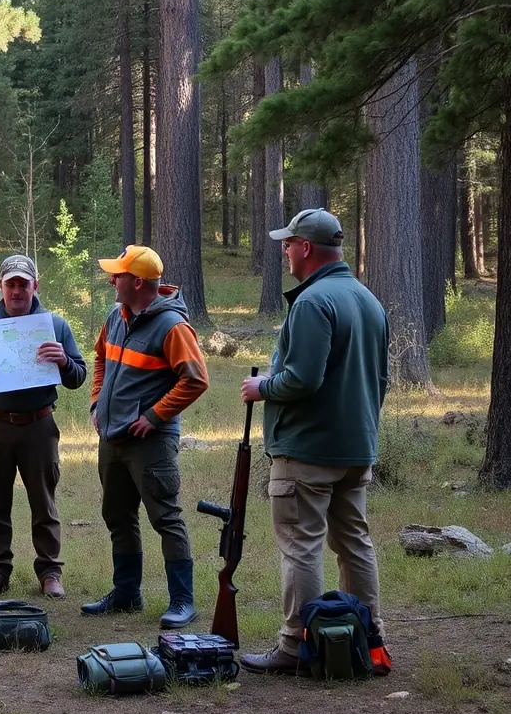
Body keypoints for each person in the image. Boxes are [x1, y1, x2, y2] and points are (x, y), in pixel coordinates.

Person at [239, 208, 390, 675]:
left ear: (305, 248)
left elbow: (302, 379)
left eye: (288, 243)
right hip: (355, 450)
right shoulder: (368, 299)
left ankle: (295, 646)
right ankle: (368, 639)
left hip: (306, 451)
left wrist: (261, 386)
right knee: (355, 544)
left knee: (301, 546)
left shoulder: (311, 302)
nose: (284, 250)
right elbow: (380, 381)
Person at [83, 245, 210, 629]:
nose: (111, 280)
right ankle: (126, 594)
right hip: (112, 436)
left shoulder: (173, 327)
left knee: (165, 517)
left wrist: (155, 416)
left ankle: (183, 601)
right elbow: (101, 357)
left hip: (150, 442)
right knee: (117, 515)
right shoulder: (116, 316)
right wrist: (96, 403)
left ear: (137, 282)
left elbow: (196, 379)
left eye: (117, 275)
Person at [0, 254, 87, 600]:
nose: (17, 291)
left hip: (39, 425)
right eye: (10, 284)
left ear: (35, 286)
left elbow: (79, 376)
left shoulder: (54, 326)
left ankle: (49, 571)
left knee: (43, 501)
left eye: (23, 284)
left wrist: (62, 361)